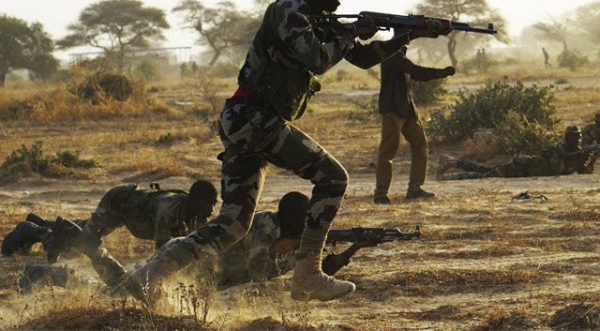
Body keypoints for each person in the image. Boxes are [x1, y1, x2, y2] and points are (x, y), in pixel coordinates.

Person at [124, 0, 451, 303]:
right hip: (254, 118)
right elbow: (319, 60)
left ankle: (148, 275)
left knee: (233, 224)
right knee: (333, 178)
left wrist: (406, 36)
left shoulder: (317, 18)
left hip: (247, 120)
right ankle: (307, 274)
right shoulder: (290, 12)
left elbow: (362, 58)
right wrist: (352, 31)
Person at [19, 192, 372, 293]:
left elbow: (282, 269)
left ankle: (60, 261)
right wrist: (294, 256)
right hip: (184, 267)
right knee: (121, 292)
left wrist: (346, 253)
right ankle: (55, 262)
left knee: (120, 288)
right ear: (291, 215)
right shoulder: (266, 226)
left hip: (192, 274)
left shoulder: (278, 232)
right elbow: (258, 270)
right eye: (303, 218)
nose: (307, 225)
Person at [2, 179, 218, 287]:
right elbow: (163, 253)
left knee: (82, 230)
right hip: (119, 203)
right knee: (82, 241)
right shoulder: (168, 210)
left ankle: (42, 223)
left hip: (131, 212)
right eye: (209, 204)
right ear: (196, 200)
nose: (211, 210)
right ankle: (35, 231)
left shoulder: (194, 214)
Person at [374, 46, 455, 203]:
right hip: (393, 108)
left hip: (407, 108)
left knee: (421, 145)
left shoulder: (399, 53)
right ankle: (380, 194)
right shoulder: (391, 54)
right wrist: (442, 73)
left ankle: (415, 189)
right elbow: (416, 72)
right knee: (388, 152)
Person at [437, 126, 598, 180]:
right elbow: (555, 168)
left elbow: (584, 172)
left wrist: (590, 159)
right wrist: (574, 158)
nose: (578, 139)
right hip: (522, 166)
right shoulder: (558, 148)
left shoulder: (576, 153)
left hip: (526, 173)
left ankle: (455, 164)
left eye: (579, 137)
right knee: (486, 174)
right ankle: (451, 174)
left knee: (486, 170)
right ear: (568, 137)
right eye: (575, 137)